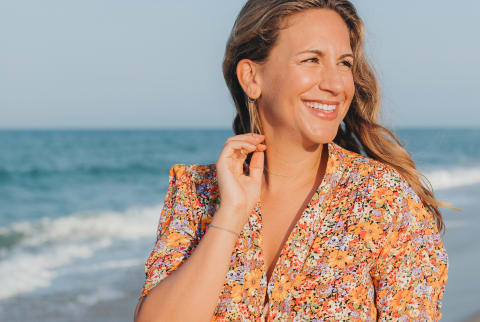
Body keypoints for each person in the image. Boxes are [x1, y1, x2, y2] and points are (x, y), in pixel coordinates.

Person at [134, 0, 451, 321]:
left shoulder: (384, 198)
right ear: (251, 77)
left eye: (344, 63)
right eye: (312, 60)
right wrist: (230, 214)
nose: (336, 84)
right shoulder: (197, 194)